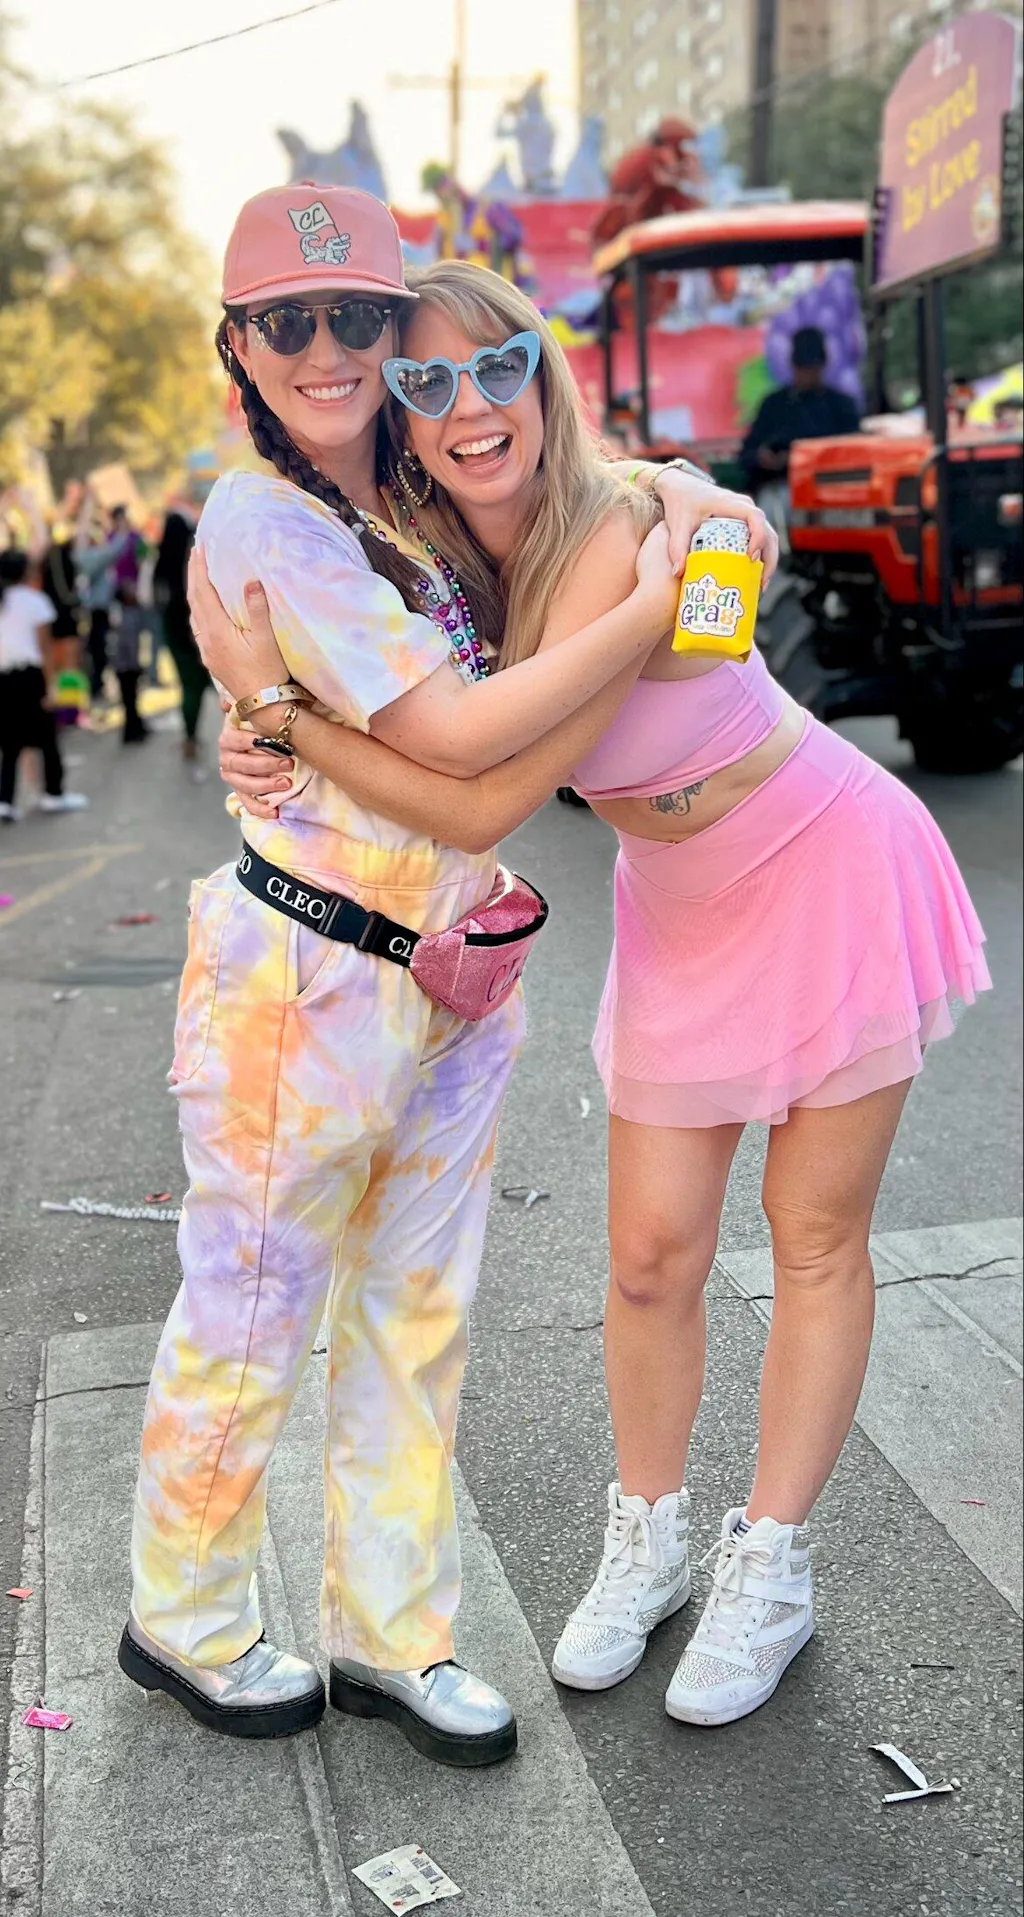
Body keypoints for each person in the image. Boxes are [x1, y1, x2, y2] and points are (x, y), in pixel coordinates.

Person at [202, 255, 990, 1735]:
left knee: (813, 1236)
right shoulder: (427, 562)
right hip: (679, 905)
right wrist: (261, 718)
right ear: (399, 411)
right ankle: (650, 1541)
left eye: (498, 366)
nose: (469, 404)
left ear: (543, 374)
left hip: (825, 858)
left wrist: (704, 514)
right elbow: (376, 694)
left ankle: (773, 1565)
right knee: (646, 1257)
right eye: (427, 381)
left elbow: (496, 779)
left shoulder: (629, 516)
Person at [120, 184, 759, 1765]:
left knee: (416, 1318)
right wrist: (654, 598)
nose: (327, 350)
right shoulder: (264, 519)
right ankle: (184, 1616)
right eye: (290, 321)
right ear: (238, 345)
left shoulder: (408, 500)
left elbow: (577, 495)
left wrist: (683, 496)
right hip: (303, 980)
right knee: (253, 1309)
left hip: (452, 982)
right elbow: (468, 745)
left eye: (357, 320)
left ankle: (393, 1635)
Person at [0, 551, 89, 820]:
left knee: (9, 743)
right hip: (30, 677)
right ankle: (53, 792)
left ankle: (6, 799)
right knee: (47, 738)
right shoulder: (35, 601)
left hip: (5, 678)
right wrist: (51, 685)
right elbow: (45, 647)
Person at [741, 325, 862, 495]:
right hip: (780, 487)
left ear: (822, 366)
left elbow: (853, 454)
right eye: (802, 368)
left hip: (828, 489)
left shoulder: (841, 406)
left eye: (811, 368)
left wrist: (800, 458)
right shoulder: (774, 405)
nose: (806, 375)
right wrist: (763, 458)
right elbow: (747, 453)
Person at [153, 509, 210, 765]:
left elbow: (154, 598)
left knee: (188, 687)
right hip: (196, 629)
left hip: (172, 630)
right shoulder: (192, 559)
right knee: (211, 685)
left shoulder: (160, 563)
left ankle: (190, 738)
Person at [74, 500, 131, 701]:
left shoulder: (84, 556)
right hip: (97, 611)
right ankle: (96, 687)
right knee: (99, 651)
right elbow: (117, 547)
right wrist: (122, 525)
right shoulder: (93, 558)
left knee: (95, 651)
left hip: (93, 611)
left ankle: (97, 685)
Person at [111, 581, 150, 744]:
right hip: (127, 667)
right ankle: (132, 732)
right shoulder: (128, 616)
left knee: (131, 700)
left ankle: (136, 728)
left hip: (123, 666)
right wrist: (136, 664)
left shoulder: (122, 614)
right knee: (130, 700)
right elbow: (130, 643)